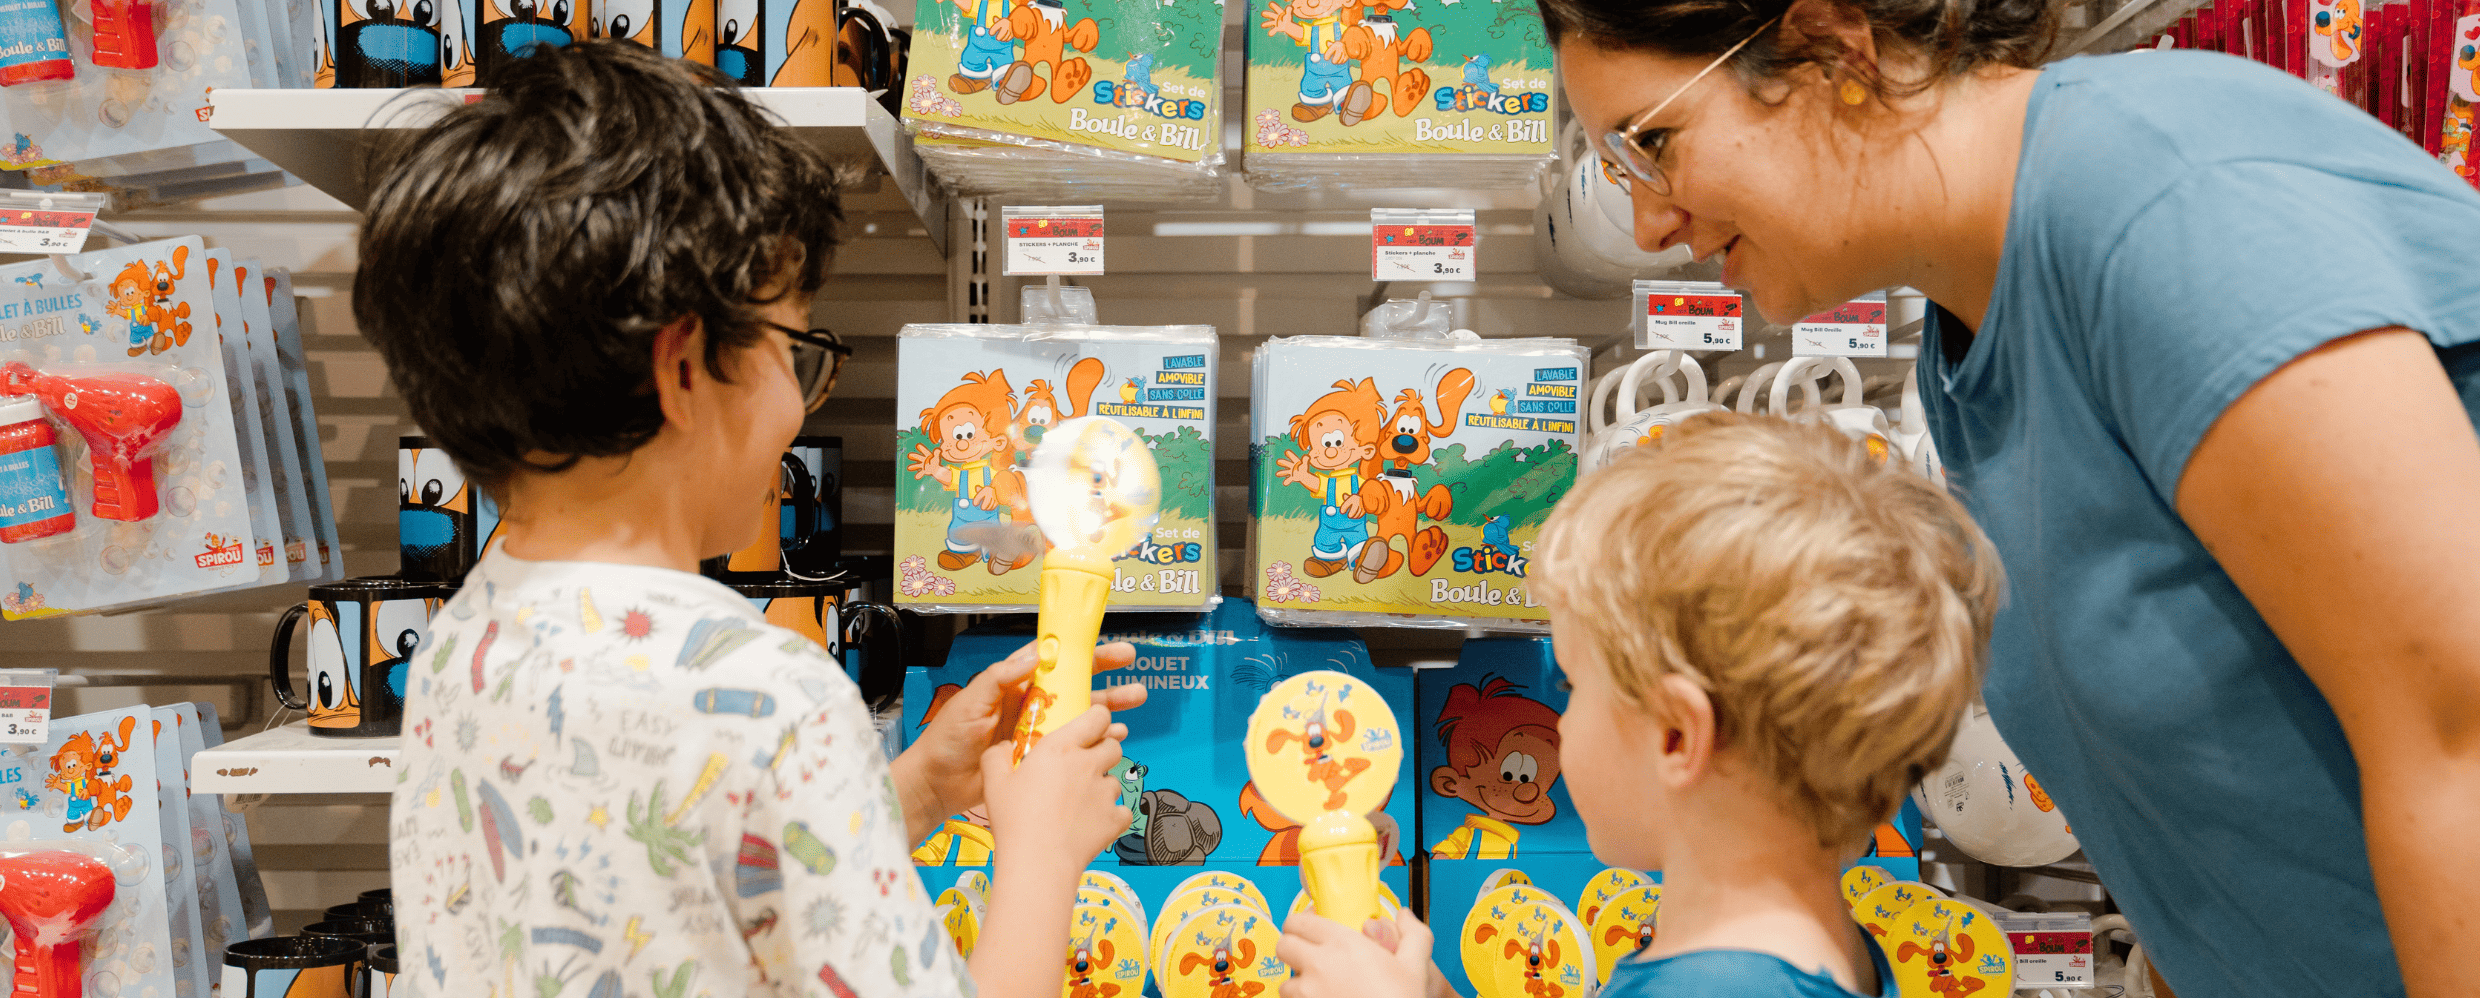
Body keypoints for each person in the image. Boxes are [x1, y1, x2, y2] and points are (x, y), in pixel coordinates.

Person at [1539, 0, 2480, 993]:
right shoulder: (1974, 336)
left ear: (1826, 45)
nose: (1648, 225)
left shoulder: (2168, 208)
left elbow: (2454, 735)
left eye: (1650, 144)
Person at [360, 41, 1142, 998]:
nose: (799, 404)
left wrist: (919, 789)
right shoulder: (769, 695)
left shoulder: (463, 643)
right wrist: (1042, 853)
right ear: (685, 366)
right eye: (794, 349)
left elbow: (665, 883)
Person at [1279, 414, 2003, 998]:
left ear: (1676, 736)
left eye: (1571, 687)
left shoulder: (1715, 987)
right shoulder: (1818, 949)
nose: (1560, 722)